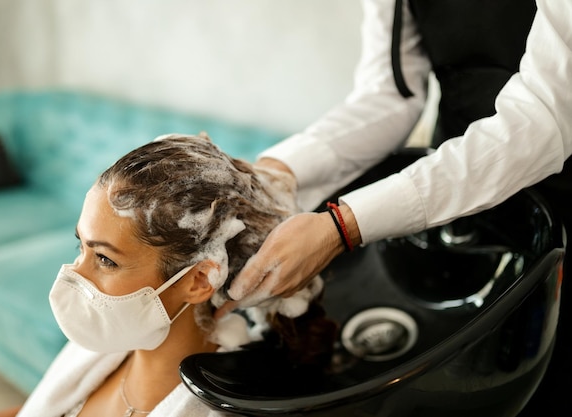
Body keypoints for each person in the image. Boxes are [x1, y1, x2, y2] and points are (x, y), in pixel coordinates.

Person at [220, 1, 572, 415]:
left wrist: (344, 226)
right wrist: (274, 175)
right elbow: (390, 94)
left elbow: (546, 118)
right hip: (457, 191)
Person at [0, 133, 336, 417]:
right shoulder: (98, 351)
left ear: (199, 280)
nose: (74, 276)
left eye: (105, 259)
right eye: (82, 247)